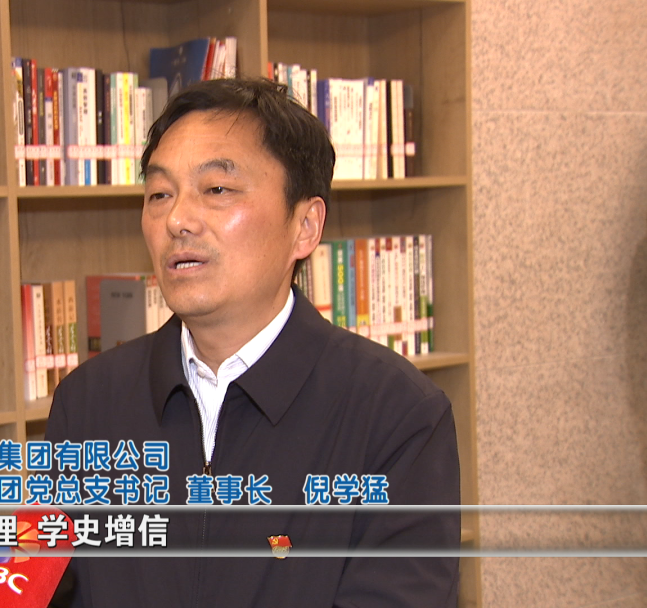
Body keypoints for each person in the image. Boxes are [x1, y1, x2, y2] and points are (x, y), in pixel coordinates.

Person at [45, 77, 460, 607]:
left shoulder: (397, 416)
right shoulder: (87, 402)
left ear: (304, 226)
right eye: (159, 194)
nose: (177, 220)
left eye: (216, 190)